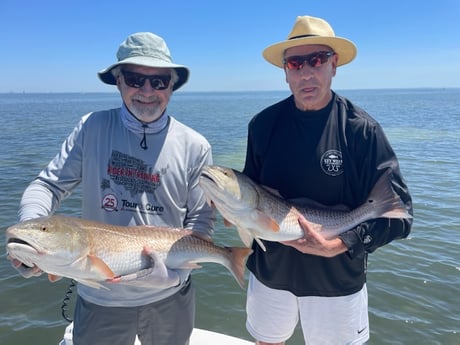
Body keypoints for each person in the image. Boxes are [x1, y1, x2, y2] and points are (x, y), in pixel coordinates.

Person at [8, 32, 214, 345]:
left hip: (170, 298)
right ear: (118, 81)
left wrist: (178, 275)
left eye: (158, 81)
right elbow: (47, 185)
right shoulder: (92, 128)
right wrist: (32, 232)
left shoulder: (195, 146)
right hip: (100, 298)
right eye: (134, 78)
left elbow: (200, 220)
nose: (146, 91)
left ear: (172, 85)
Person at [242, 16, 413, 345]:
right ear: (285, 71)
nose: (306, 72)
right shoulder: (262, 126)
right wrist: (229, 207)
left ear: (334, 65)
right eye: (295, 62)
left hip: (337, 280)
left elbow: (401, 216)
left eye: (316, 60)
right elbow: (250, 195)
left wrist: (340, 244)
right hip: (271, 273)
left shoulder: (361, 131)